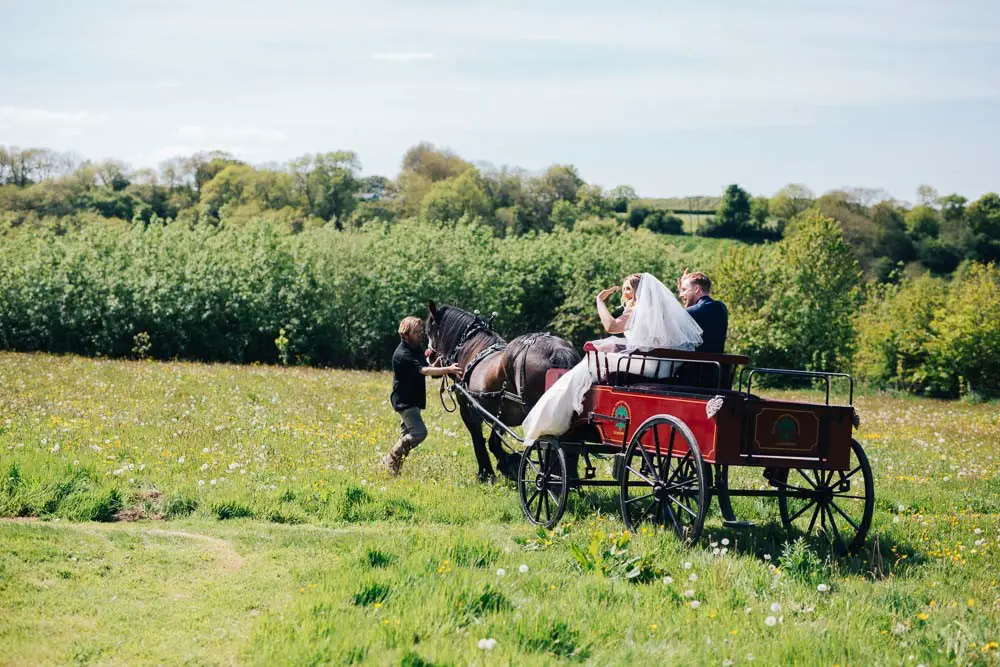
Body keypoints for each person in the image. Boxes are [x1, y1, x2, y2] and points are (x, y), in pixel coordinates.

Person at [521, 273, 702, 444]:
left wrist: (600, 301)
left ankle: (558, 417)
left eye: (628, 289)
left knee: (588, 364)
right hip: (664, 366)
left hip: (650, 365)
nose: (624, 293)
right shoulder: (659, 313)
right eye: (624, 289)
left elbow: (610, 326)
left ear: (639, 293)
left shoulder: (637, 311)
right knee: (600, 355)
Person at [382, 316, 462, 475]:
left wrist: (438, 365)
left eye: (420, 332)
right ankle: (390, 458)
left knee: (407, 434)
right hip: (405, 401)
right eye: (416, 332)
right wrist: (449, 369)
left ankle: (393, 469)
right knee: (419, 433)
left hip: (414, 399)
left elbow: (426, 367)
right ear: (405, 335)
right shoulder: (402, 354)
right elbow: (423, 371)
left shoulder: (415, 348)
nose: (420, 335)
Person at [677, 269, 728, 353]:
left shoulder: (694, 311)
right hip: (715, 365)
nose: (680, 295)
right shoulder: (721, 307)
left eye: (684, 289)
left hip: (694, 365)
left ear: (697, 289)